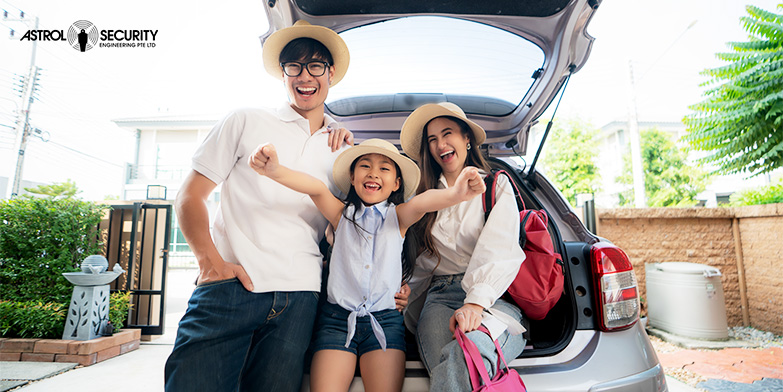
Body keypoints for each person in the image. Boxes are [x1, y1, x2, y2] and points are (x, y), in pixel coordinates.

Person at [164, 20, 376, 392]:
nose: (304, 75)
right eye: (293, 65)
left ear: (331, 74)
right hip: (231, 287)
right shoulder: (245, 119)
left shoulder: (344, 151)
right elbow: (189, 196)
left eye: (315, 66)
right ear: (283, 74)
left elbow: (350, 232)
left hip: (300, 299)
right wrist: (210, 263)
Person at [247, 138, 486, 392]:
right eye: (365, 166)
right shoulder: (341, 215)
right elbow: (316, 189)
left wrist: (457, 194)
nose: (373, 173)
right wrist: (274, 170)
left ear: (396, 183)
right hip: (336, 321)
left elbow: (423, 202)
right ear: (352, 178)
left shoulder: (399, 217)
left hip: (385, 322)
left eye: (384, 168)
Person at [399, 102, 528, 392]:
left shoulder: (496, 185)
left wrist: (474, 303)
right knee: (455, 369)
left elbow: (499, 248)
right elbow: (423, 263)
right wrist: (404, 292)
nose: (440, 144)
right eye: (432, 139)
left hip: (493, 300)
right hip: (438, 299)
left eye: (447, 134)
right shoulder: (425, 198)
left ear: (467, 138)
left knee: (463, 356)